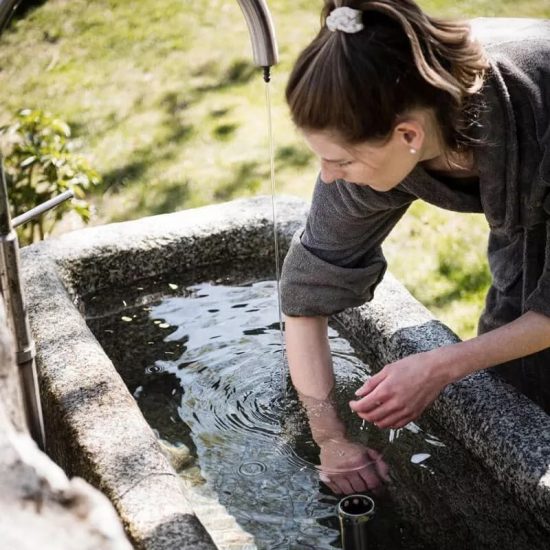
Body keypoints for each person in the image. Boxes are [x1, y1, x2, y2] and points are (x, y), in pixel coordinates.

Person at [280, 0, 550, 444]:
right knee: (515, 385)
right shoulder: (379, 129)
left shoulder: (538, 113)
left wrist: (440, 364)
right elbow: (308, 292)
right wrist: (331, 441)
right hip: (526, 223)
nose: (328, 175)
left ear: (409, 135)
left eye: (341, 160)